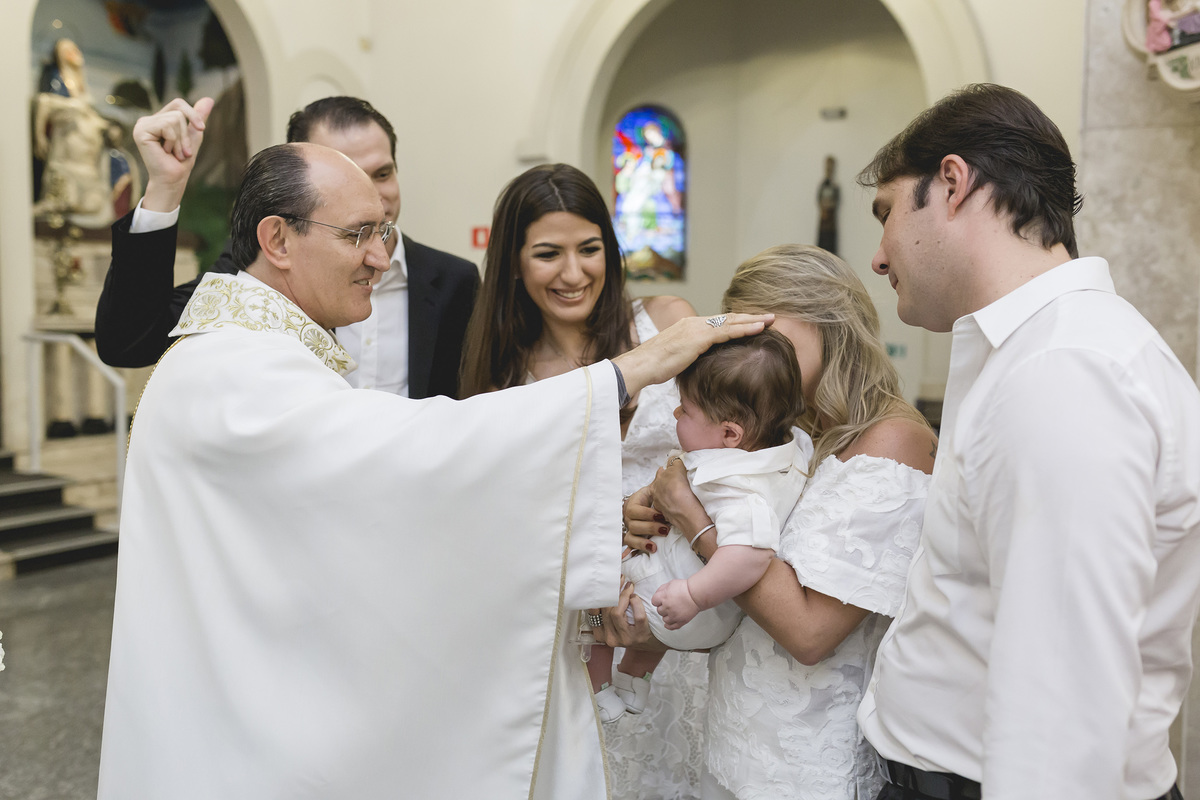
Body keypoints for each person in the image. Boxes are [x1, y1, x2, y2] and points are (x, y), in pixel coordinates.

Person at [97, 138, 772, 799]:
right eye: (359, 233)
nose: (380, 257)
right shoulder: (235, 369)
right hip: (244, 723)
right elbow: (406, 457)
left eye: (384, 231)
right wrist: (622, 377)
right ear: (277, 240)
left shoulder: (243, 349)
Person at [854, 83, 1200, 800]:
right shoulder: (1034, 353)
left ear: (953, 183)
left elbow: (1062, 709)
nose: (879, 258)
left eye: (887, 215)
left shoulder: (1065, 372)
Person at [606, 244, 936, 800]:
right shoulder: (783, 435)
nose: (753, 354)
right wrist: (651, 531)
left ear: (828, 323)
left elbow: (809, 634)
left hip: (804, 763)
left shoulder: (892, 441)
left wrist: (693, 518)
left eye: (764, 333)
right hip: (735, 736)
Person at [458, 162, 707, 799]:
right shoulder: (503, 378)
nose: (573, 274)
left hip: (683, 614)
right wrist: (600, 525)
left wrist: (676, 504)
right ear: (514, 263)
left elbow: (735, 440)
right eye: (548, 254)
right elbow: (497, 521)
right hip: (574, 632)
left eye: (589, 249)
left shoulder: (667, 323)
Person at [94, 95, 478, 400]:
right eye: (346, 175)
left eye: (382, 173)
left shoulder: (453, 280)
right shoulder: (256, 275)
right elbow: (129, 342)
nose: (370, 193)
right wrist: (165, 188)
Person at [588, 331, 811, 725]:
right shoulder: (778, 455)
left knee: (591, 594)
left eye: (685, 411)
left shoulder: (736, 487)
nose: (675, 415)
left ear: (730, 434)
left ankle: (597, 681)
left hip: (684, 607)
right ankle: (633, 677)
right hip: (701, 617)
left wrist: (692, 594)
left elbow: (750, 555)